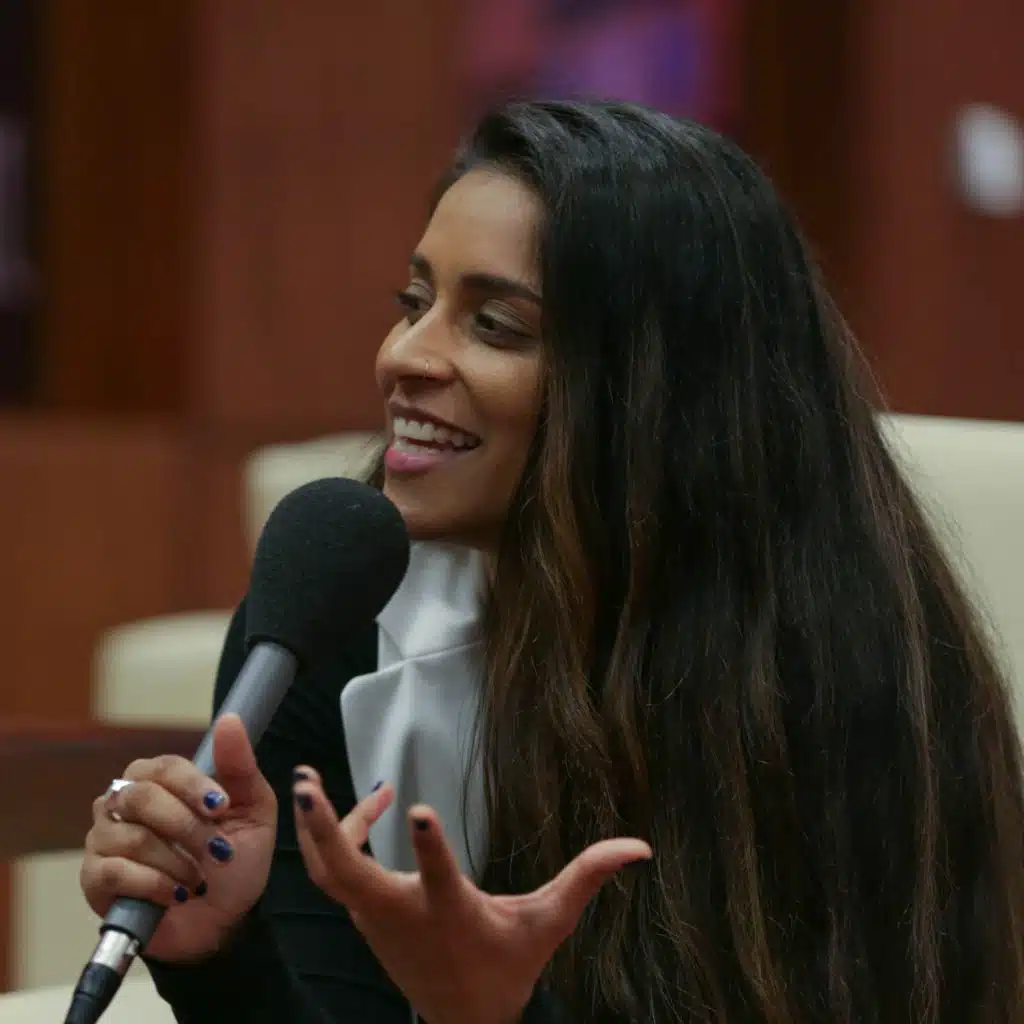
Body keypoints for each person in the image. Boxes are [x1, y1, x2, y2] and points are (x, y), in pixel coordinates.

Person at [80, 100, 1024, 1023]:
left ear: (653, 395)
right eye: (415, 302)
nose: (406, 354)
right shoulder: (336, 616)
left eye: (496, 326)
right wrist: (216, 952)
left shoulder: (831, 670)